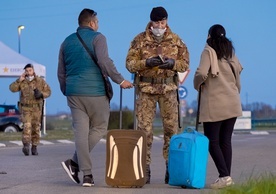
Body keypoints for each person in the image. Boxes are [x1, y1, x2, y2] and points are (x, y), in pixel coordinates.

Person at [58, 8, 133, 187]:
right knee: (99, 128)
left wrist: (67, 90)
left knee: (81, 134)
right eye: (97, 21)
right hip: (96, 92)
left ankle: (87, 176)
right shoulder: (99, 38)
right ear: (91, 23)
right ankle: (75, 163)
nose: (98, 24)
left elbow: (61, 72)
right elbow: (104, 61)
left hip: (74, 93)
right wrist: (120, 80)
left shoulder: (66, 42)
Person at [126, 6, 189, 184]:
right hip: (146, 90)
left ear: (167, 21)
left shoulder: (176, 40)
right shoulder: (139, 40)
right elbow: (129, 64)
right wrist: (145, 62)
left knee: (172, 131)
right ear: (151, 22)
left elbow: (185, 63)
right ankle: (144, 169)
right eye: (156, 22)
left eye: (163, 22)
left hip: (168, 91)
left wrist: (172, 64)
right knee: (144, 131)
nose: (160, 26)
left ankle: (171, 167)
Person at [193, 24, 243, 189]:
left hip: (214, 103)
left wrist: (197, 84)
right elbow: (238, 73)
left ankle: (224, 176)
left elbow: (201, 73)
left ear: (209, 36)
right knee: (225, 141)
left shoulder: (208, 51)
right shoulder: (230, 53)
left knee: (212, 141)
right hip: (232, 101)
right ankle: (226, 178)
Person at [9, 63, 51, 156]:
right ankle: (26, 146)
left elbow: (48, 91)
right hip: (26, 108)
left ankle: (34, 147)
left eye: (30, 70)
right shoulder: (22, 82)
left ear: (33, 70)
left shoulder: (40, 81)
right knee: (27, 127)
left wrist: (41, 94)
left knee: (36, 128)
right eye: (26, 71)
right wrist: (19, 80)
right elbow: (12, 88)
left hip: (36, 108)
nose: (28, 72)